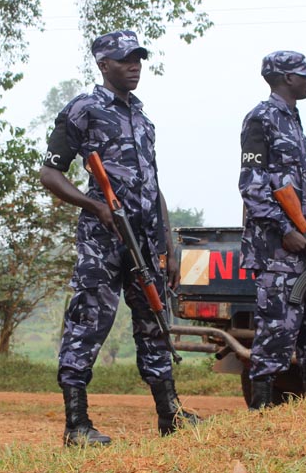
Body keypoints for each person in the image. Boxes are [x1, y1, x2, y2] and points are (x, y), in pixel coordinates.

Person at [39, 30, 199, 446]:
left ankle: (171, 415)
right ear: (103, 64)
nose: (135, 66)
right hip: (103, 238)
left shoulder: (143, 118)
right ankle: (77, 425)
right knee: (89, 322)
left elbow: (153, 183)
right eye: (126, 59)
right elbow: (50, 173)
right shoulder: (84, 109)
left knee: (154, 322)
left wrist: (168, 242)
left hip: (146, 239)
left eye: (139, 59)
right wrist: (96, 208)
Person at [239, 51, 306, 409]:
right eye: (303, 75)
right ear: (284, 78)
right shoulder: (261, 119)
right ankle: (261, 407)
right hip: (277, 251)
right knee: (277, 329)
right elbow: (252, 186)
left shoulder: (293, 120)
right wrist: (284, 230)